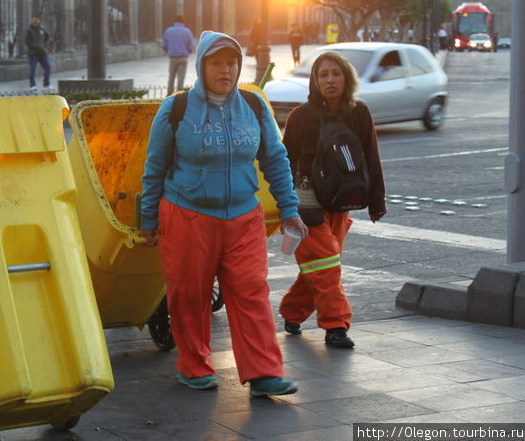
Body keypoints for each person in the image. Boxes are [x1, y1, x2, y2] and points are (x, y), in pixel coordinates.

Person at [140, 30, 308, 397]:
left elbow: (275, 160)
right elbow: (154, 168)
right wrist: (148, 219)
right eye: (216, 62)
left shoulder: (254, 105)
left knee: (251, 292)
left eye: (231, 62)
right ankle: (194, 366)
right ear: (201, 65)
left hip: (243, 218)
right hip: (187, 215)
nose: (225, 70)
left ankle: (264, 372)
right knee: (189, 294)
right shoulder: (176, 109)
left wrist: (289, 208)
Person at [279, 51, 386, 349]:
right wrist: (283, 208)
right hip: (306, 204)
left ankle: (292, 312)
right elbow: (284, 163)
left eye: (335, 74)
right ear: (314, 80)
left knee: (321, 264)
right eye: (322, 74)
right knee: (326, 264)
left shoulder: (359, 112)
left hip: (342, 201)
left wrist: (377, 201)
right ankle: (336, 326)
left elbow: (372, 158)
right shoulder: (300, 116)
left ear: (346, 78)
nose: (329, 80)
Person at [161, 15, 195, 95]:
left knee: (171, 78)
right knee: (181, 78)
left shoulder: (169, 31)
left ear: (175, 22)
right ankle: (179, 95)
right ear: (183, 22)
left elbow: (164, 45)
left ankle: (169, 95)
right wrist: (187, 52)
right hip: (183, 58)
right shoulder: (187, 31)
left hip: (173, 58)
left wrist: (169, 51)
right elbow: (191, 46)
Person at [25, 15, 51, 91]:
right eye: (33, 19)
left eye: (36, 19)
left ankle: (46, 84)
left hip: (43, 53)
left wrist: (45, 46)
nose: (35, 21)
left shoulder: (42, 29)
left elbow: (47, 37)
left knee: (48, 67)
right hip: (33, 53)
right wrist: (37, 47)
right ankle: (32, 85)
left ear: (39, 21)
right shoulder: (29, 30)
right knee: (32, 69)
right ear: (31, 20)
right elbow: (28, 42)